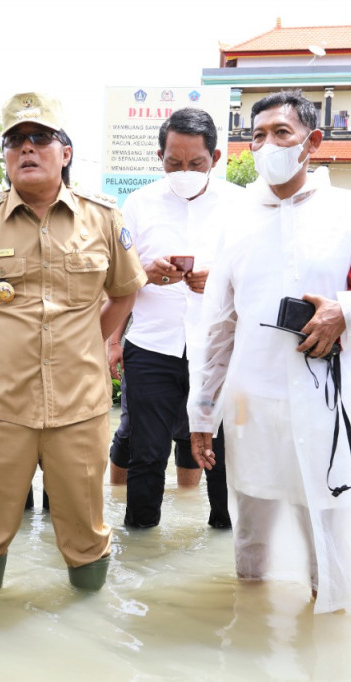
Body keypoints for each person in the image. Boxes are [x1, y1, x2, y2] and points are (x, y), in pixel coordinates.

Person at [188, 90, 351, 613]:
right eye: (257, 136)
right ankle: (251, 627)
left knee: (327, 515)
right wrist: (202, 412)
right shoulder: (236, 220)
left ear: (312, 142)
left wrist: (348, 311)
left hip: (324, 396)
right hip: (251, 401)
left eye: (281, 133)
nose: (267, 145)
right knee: (251, 520)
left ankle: (329, 624)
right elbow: (218, 327)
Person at [0, 92, 145, 595]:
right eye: (15, 141)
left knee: (88, 533)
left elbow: (124, 292)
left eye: (40, 138)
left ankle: (87, 632)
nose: (27, 149)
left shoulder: (103, 217)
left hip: (79, 406)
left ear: (64, 152)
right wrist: (2, 341)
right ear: (6, 156)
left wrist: (86, 342)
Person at [108, 107, 239, 529]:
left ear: (214, 159)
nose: (184, 171)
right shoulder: (139, 204)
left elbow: (258, 277)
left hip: (221, 348)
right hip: (152, 345)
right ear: (159, 157)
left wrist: (218, 280)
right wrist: (148, 274)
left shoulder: (241, 205)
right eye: (173, 163)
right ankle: (141, 542)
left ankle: (225, 537)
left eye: (195, 163)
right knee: (146, 452)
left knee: (225, 452)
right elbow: (116, 276)